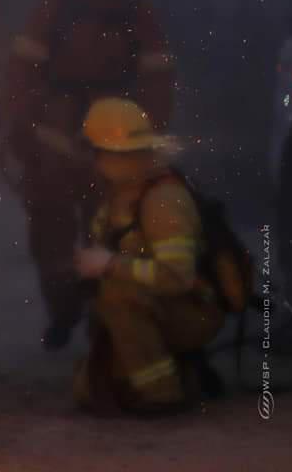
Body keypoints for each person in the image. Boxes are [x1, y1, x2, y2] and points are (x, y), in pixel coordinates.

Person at [5, 0, 176, 349]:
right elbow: (24, 76)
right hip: (77, 142)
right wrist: (26, 132)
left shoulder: (122, 13)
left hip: (92, 142)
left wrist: (146, 142)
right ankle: (72, 315)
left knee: (102, 235)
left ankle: (97, 321)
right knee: (65, 233)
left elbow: (157, 85)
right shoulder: (71, 8)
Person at [72, 98, 224, 415]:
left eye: (96, 152)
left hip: (193, 310)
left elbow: (177, 277)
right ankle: (183, 371)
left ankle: (161, 395)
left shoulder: (163, 201)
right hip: (158, 304)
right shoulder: (123, 193)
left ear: (113, 155)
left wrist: (110, 265)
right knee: (89, 391)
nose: (92, 161)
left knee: (116, 295)